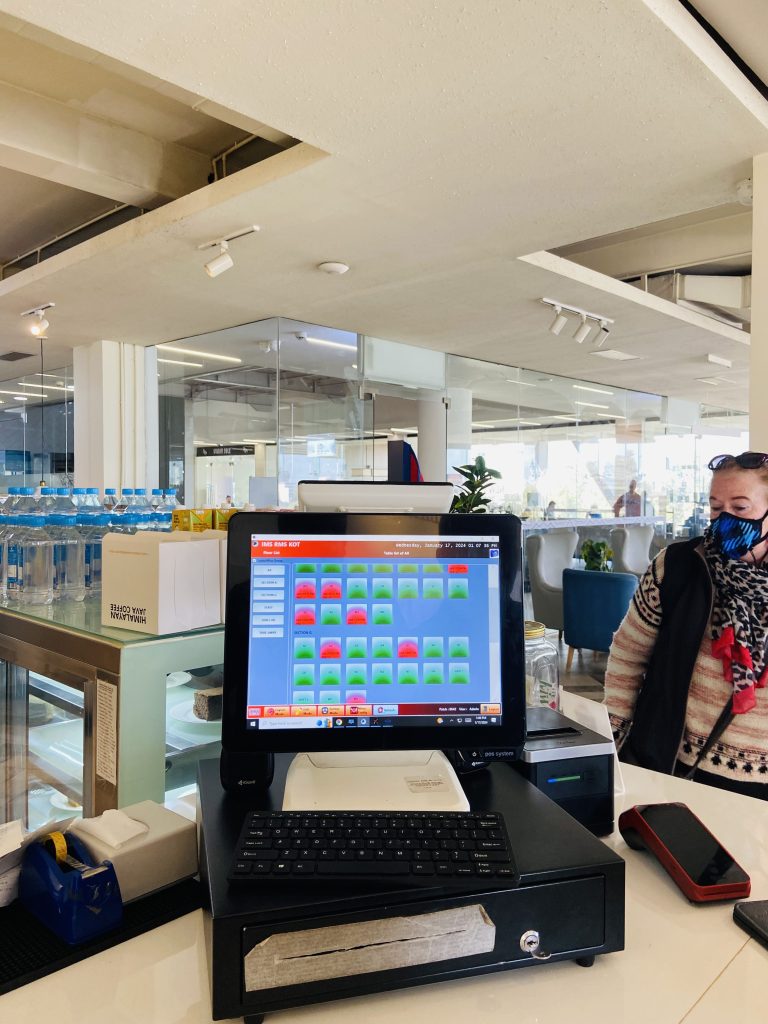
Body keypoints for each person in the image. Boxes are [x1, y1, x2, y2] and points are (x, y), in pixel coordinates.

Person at [605, 452, 768, 799]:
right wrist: (613, 746)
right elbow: (627, 657)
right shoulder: (677, 567)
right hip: (676, 774)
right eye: (715, 507)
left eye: (740, 508)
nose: (724, 519)